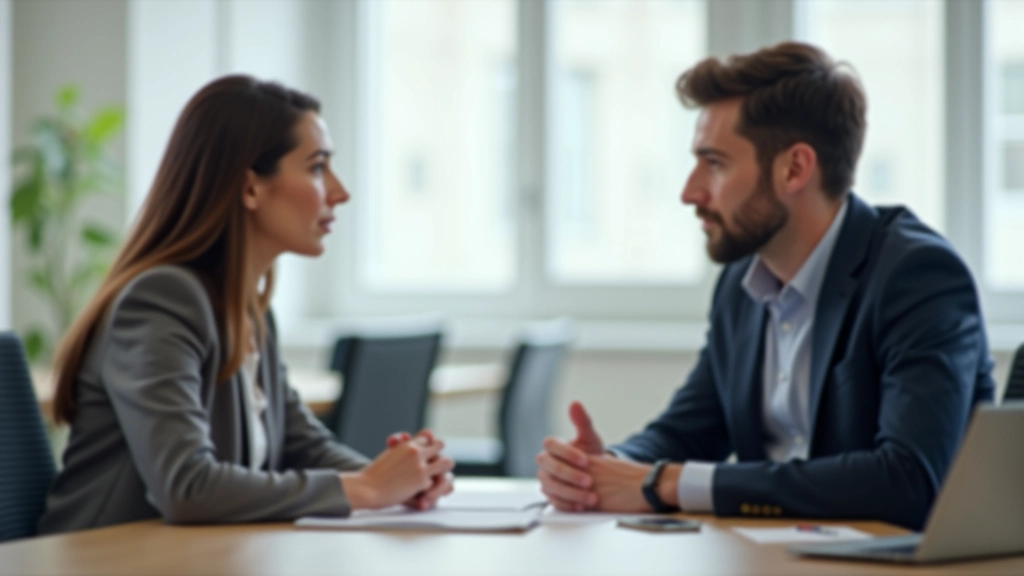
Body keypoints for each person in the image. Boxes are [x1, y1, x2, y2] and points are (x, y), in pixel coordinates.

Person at [536, 42, 995, 530]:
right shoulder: (742, 283)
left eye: (715, 163)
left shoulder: (917, 276)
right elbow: (689, 431)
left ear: (794, 168)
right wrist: (601, 467)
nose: (690, 192)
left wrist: (664, 483)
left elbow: (907, 479)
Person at [38, 75, 454, 534]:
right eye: (317, 167)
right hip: (106, 561)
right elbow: (187, 486)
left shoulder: (249, 310)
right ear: (251, 188)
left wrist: (401, 478)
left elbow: (303, 445)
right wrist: (368, 489)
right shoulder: (160, 300)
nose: (339, 191)